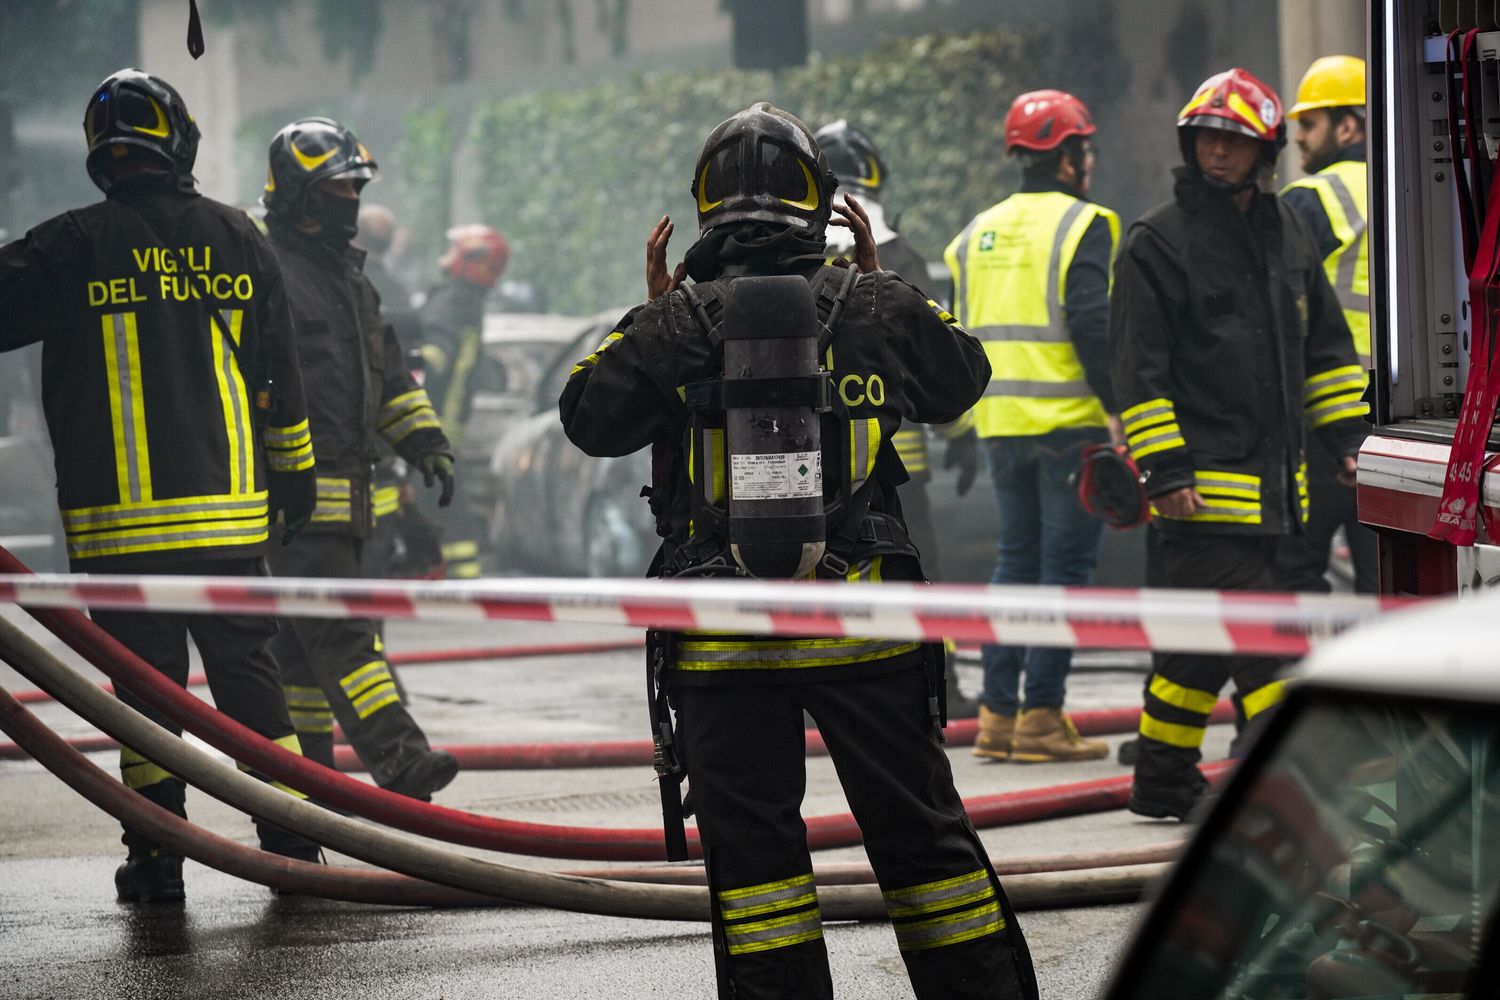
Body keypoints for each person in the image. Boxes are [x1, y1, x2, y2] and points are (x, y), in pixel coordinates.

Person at [560, 102, 1038, 1000]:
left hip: (721, 640)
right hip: (866, 630)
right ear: (821, 204)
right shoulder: (876, 304)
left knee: (759, 874)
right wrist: (881, 281)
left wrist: (654, 313)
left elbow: (586, 417)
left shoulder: (675, 325)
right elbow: (961, 377)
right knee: (923, 845)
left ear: (705, 209)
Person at [0, 69, 322, 901]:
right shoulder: (237, 237)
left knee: (146, 700)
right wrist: (294, 476)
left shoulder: (69, 244)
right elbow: (280, 373)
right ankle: (292, 841)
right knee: (251, 680)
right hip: (227, 523)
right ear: (180, 142)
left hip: (118, 537)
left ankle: (156, 855)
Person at [1111, 68, 1368, 820]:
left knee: (1198, 648)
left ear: (1266, 150)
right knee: (1269, 646)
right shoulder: (1157, 242)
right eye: (1207, 141)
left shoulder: (1288, 232)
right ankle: (1284, 801)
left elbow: (1323, 346)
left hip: (1282, 493)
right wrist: (1163, 470)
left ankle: (1161, 780)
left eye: (1234, 141)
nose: (1218, 154)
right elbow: (1138, 369)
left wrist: (1348, 437)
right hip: (1199, 495)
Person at [260, 117, 459, 801]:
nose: (351, 199)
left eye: (355, 186)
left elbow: (390, 377)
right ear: (300, 195)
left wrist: (425, 442)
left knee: (300, 658)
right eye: (339, 186)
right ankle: (402, 759)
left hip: (347, 512)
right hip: (290, 506)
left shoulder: (350, 281)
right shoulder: (269, 274)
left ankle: (306, 793)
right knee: (344, 638)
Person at [944, 90, 1121, 764]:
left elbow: (958, 335)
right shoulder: (1085, 224)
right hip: (1070, 427)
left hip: (1000, 425)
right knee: (1064, 571)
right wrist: (1118, 408)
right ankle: (1042, 717)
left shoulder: (972, 235)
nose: (1090, 160)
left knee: (1013, 563)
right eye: (1086, 148)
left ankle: (997, 715)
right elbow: (1091, 321)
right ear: (1068, 154)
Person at [814, 119, 980, 582]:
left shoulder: (792, 251)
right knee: (912, 567)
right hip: (893, 463)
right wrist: (960, 433)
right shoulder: (900, 258)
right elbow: (933, 355)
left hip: (807, 456)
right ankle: (928, 652)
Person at [1275, 55, 1377, 594]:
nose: (1298, 139)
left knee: (1292, 580)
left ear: (1349, 125)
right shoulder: (1418, 191)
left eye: (1309, 125)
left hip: (1321, 419)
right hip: (1398, 423)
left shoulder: (1309, 199)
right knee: (1386, 584)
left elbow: (1275, 312)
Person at [415, 224, 509, 579]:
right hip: (448, 421)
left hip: (429, 416)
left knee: (433, 498)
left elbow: (432, 361)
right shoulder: (471, 303)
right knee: (444, 496)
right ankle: (458, 571)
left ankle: (450, 573)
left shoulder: (453, 300)